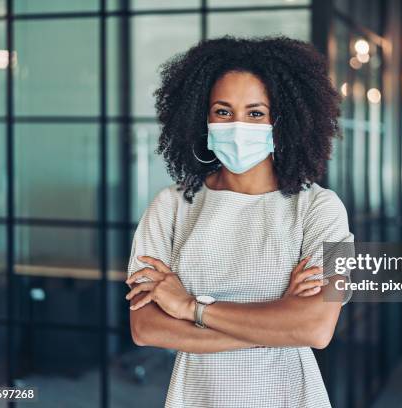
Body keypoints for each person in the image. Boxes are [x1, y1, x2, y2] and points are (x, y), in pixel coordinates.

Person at [124, 35, 354, 408]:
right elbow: (145, 327)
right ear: (202, 116)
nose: (238, 125)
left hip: (288, 396)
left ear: (284, 121)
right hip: (197, 397)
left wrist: (191, 310)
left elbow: (315, 327)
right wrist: (279, 323)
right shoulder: (170, 206)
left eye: (255, 113)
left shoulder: (323, 210)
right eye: (223, 111)